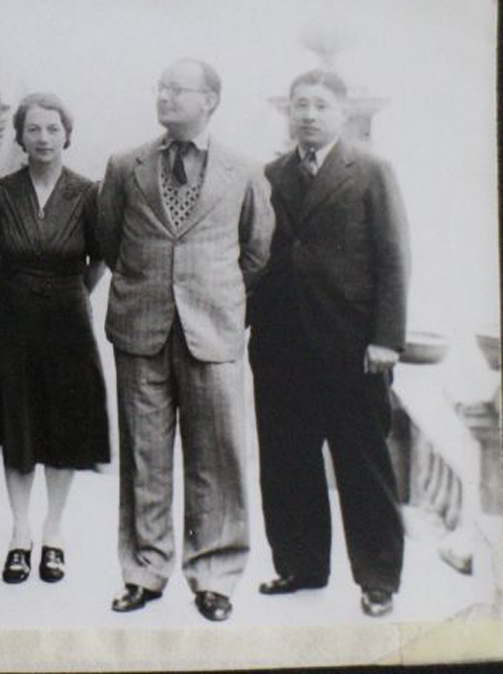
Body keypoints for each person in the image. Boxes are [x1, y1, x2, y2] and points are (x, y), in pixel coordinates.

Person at [97, 58, 274, 620]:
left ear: (210, 100)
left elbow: (257, 251)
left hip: (213, 331)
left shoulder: (244, 170)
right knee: (143, 457)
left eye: (178, 89)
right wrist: (147, 286)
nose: (165, 96)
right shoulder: (124, 165)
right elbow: (109, 240)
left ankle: (215, 577)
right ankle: (144, 571)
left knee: (217, 457)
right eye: (161, 87)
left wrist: (212, 294)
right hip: (140, 328)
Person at [247, 70, 410, 618]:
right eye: (300, 105)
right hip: (281, 345)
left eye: (320, 105)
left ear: (342, 111)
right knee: (286, 460)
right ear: (289, 112)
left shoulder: (371, 170)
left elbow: (394, 258)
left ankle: (378, 579)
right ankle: (301, 565)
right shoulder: (271, 174)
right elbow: (257, 257)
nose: (309, 115)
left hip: (352, 347)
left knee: (363, 464)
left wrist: (386, 339)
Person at [0, 93, 109, 584]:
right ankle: (20, 533)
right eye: (34, 129)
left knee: (63, 424)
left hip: (68, 320)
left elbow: (99, 256)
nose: (44, 138)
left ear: (66, 135)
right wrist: (23, 287)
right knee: (18, 421)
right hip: (13, 318)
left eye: (53, 129)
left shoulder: (88, 192)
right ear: (20, 137)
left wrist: (72, 292)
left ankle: (53, 532)